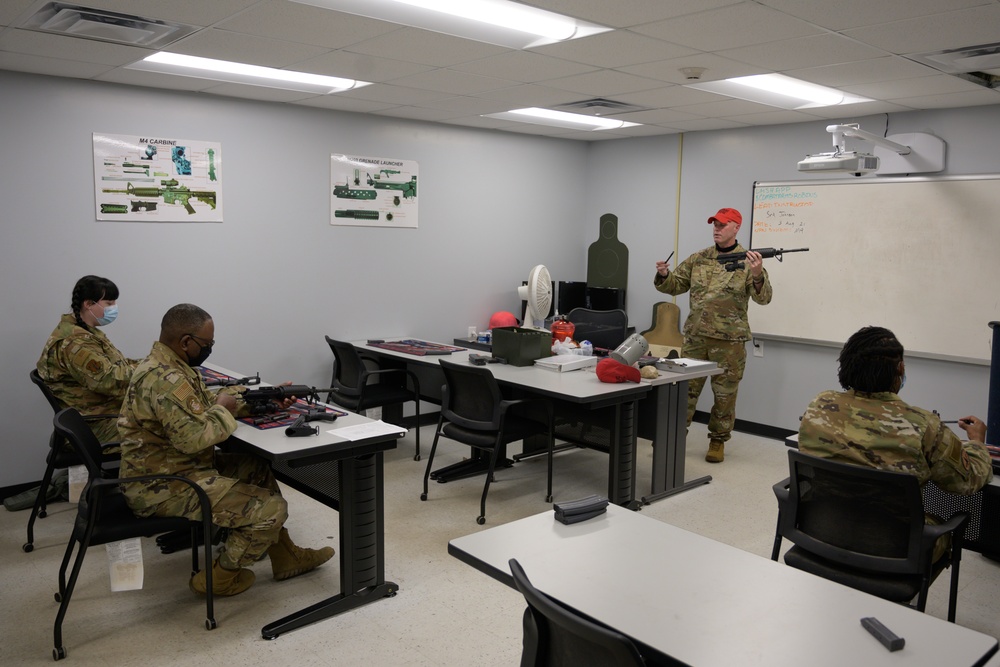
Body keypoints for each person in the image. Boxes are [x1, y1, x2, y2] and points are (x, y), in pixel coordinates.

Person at [118, 303, 333, 596]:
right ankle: (218, 578)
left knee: (254, 467)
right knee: (273, 509)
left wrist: (261, 402)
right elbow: (193, 438)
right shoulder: (166, 379)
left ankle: (285, 555)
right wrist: (222, 410)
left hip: (172, 468)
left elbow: (204, 402)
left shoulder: (168, 366)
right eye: (207, 344)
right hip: (161, 485)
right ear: (185, 342)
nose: (209, 349)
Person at [798, 325, 992, 493]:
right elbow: (967, 482)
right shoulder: (925, 426)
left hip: (821, 527)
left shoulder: (820, 405)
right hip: (895, 536)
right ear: (900, 369)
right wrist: (976, 443)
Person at [653, 207, 771, 462]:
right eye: (714, 224)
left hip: (729, 342)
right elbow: (675, 285)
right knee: (684, 391)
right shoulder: (699, 258)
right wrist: (664, 275)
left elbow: (764, 298)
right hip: (696, 338)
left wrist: (757, 274)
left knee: (724, 395)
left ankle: (717, 441)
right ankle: (674, 435)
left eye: (722, 225)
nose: (716, 229)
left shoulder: (749, 261)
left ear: (736, 227)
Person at [37, 275, 138, 443]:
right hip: (95, 425)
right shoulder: (75, 343)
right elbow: (108, 380)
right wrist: (150, 371)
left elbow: (118, 365)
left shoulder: (86, 332)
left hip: (106, 413)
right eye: (109, 303)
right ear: (89, 304)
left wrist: (153, 364)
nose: (115, 307)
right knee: (168, 431)